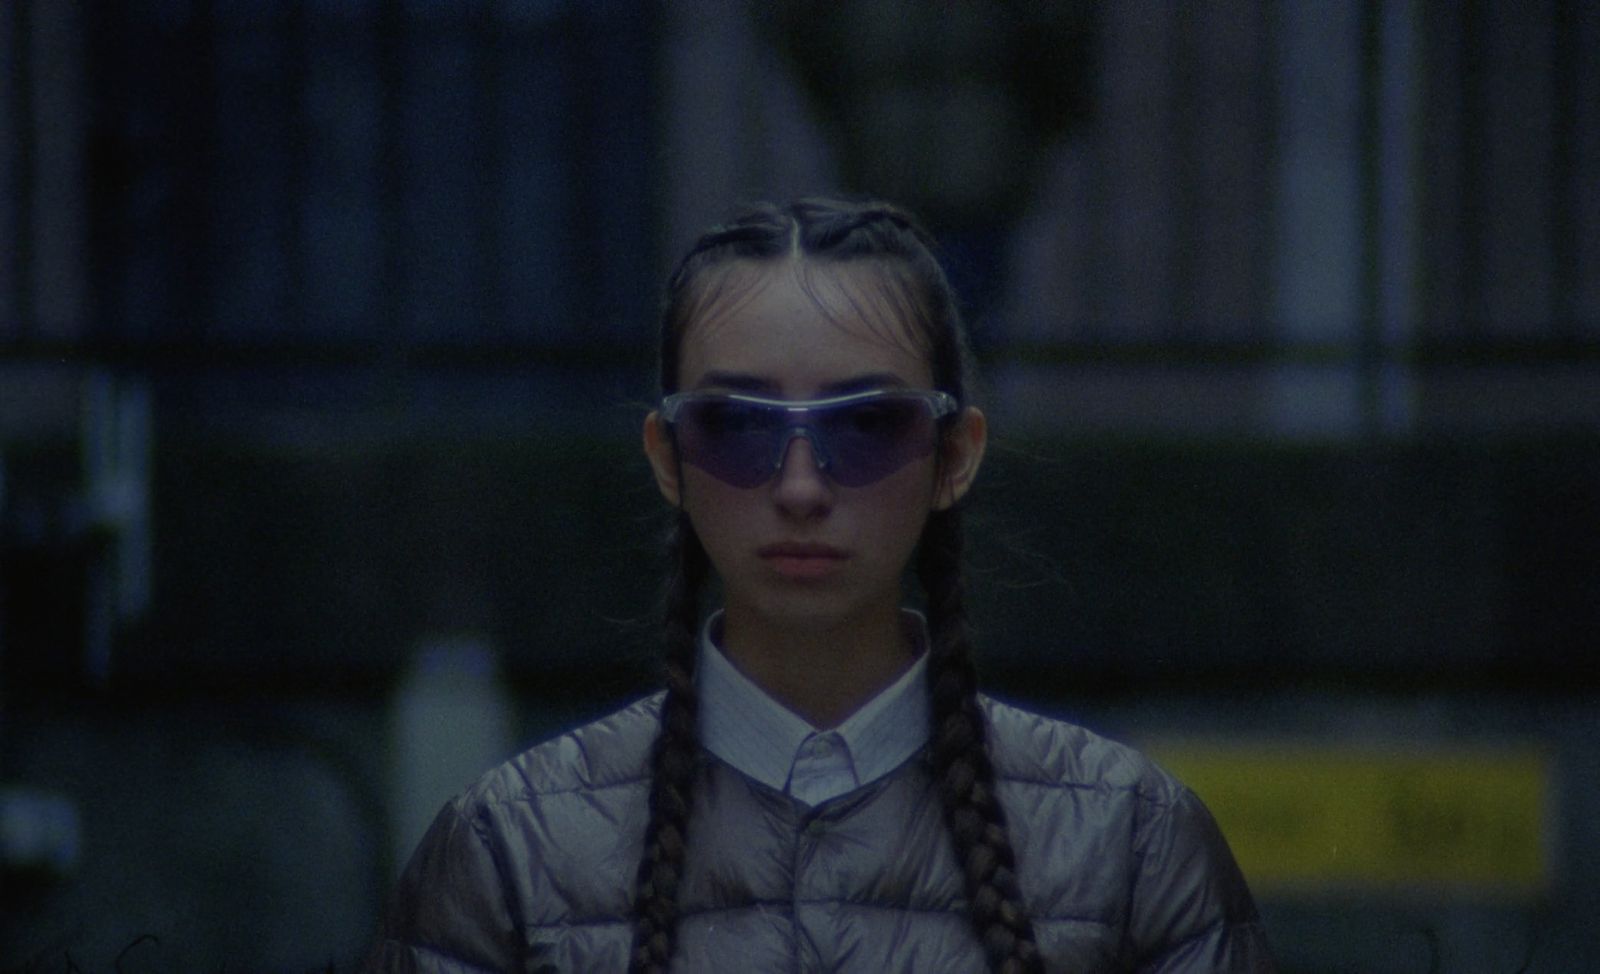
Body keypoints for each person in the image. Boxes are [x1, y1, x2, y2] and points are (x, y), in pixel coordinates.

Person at [364, 198, 1275, 973]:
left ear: (954, 456)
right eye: (735, 426)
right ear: (668, 458)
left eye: (870, 424)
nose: (800, 489)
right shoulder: (508, 853)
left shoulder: (1129, 844)